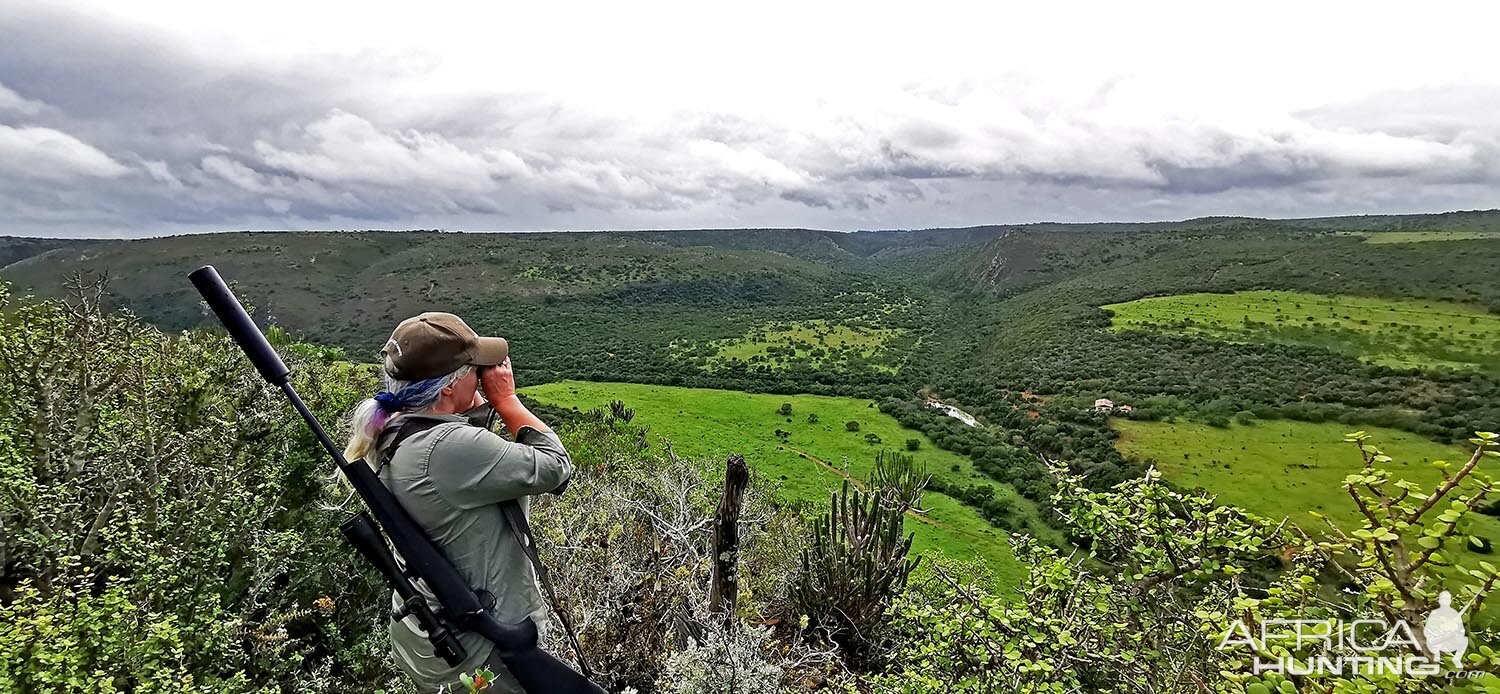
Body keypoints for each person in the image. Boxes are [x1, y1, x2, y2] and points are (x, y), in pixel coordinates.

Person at [343, 312, 574, 693]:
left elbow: (460, 471)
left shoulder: (393, 428)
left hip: (431, 637)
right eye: (473, 369)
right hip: (481, 650)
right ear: (448, 388)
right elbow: (555, 467)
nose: (483, 373)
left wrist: (472, 408)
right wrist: (506, 400)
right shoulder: (447, 448)